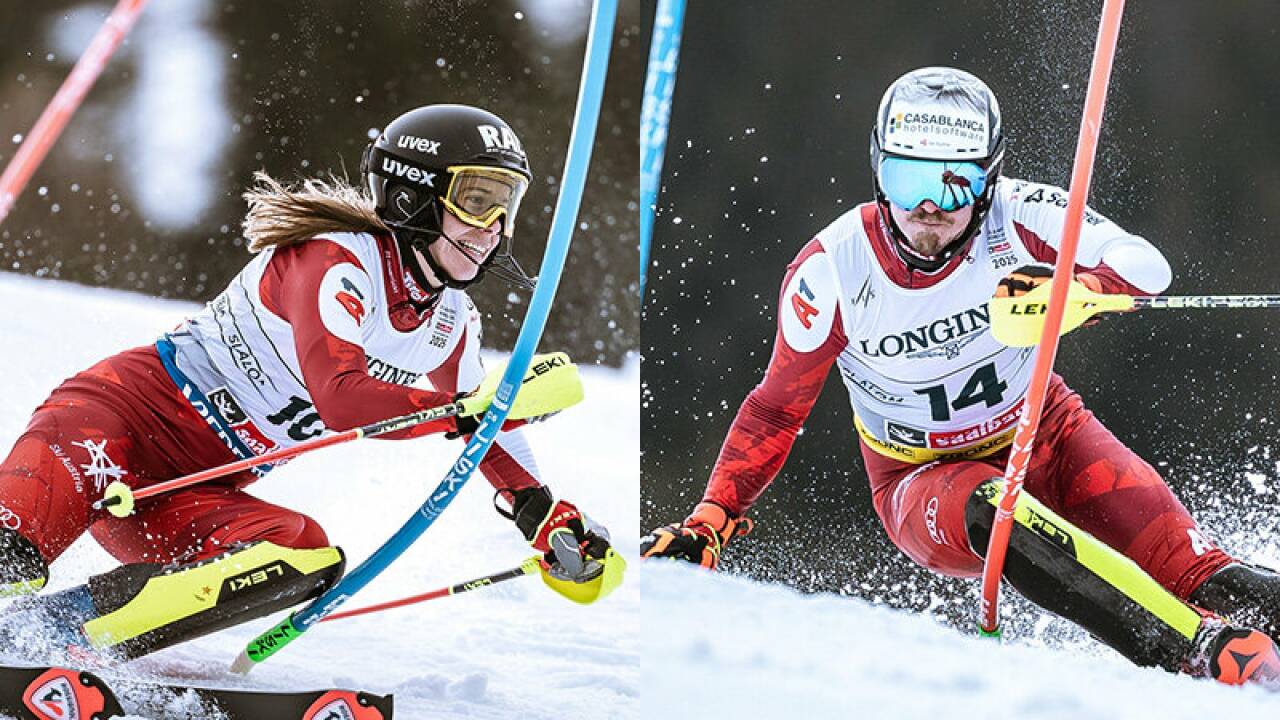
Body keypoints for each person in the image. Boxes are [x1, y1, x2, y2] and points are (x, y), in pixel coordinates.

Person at [641, 67, 1280, 686]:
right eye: (905, 176)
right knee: (993, 506)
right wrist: (711, 519)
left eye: (953, 184)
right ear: (877, 170)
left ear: (988, 180)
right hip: (921, 476)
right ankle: (1191, 651)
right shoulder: (831, 272)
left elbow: (1146, 265)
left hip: (1048, 432)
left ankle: (1224, 627)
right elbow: (776, 409)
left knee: (1196, 570)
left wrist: (1078, 291)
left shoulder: (1019, 214)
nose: (927, 206)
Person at [0, 104, 612, 661]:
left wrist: (544, 515)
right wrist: (463, 411)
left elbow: (488, 427)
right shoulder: (335, 261)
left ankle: (59, 638)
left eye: (509, 204)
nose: (495, 227)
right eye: (478, 201)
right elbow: (343, 399)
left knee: (303, 556)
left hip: (185, 490)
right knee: (13, 553)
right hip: (112, 428)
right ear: (412, 199)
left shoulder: (449, 322)